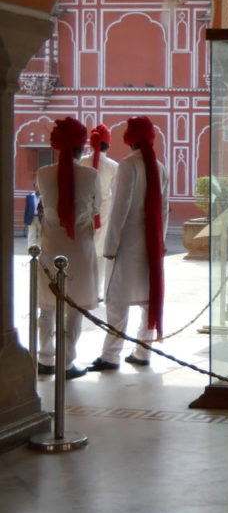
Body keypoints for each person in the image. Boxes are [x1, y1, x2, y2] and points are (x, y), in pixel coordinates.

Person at [89, 116, 169, 371]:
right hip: (150, 245)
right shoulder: (160, 167)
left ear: (129, 139)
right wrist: (161, 243)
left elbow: (120, 209)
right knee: (147, 299)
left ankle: (111, 356)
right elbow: (164, 211)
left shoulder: (128, 165)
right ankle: (143, 352)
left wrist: (109, 247)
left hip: (127, 245)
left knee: (117, 300)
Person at [35, 117, 102, 380]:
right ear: (81, 145)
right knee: (75, 308)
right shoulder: (90, 175)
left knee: (47, 306)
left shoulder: (42, 174)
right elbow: (96, 209)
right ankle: (67, 362)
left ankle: (45, 358)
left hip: (51, 247)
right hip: (80, 249)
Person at [83, 123, 118, 295]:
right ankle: (97, 292)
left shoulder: (82, 162)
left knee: (84, 252)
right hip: (105, 211)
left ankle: (85, 290)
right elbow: (118, 192)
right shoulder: (113, 166)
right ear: (108, 144)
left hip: (84, 210)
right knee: (101, 255)